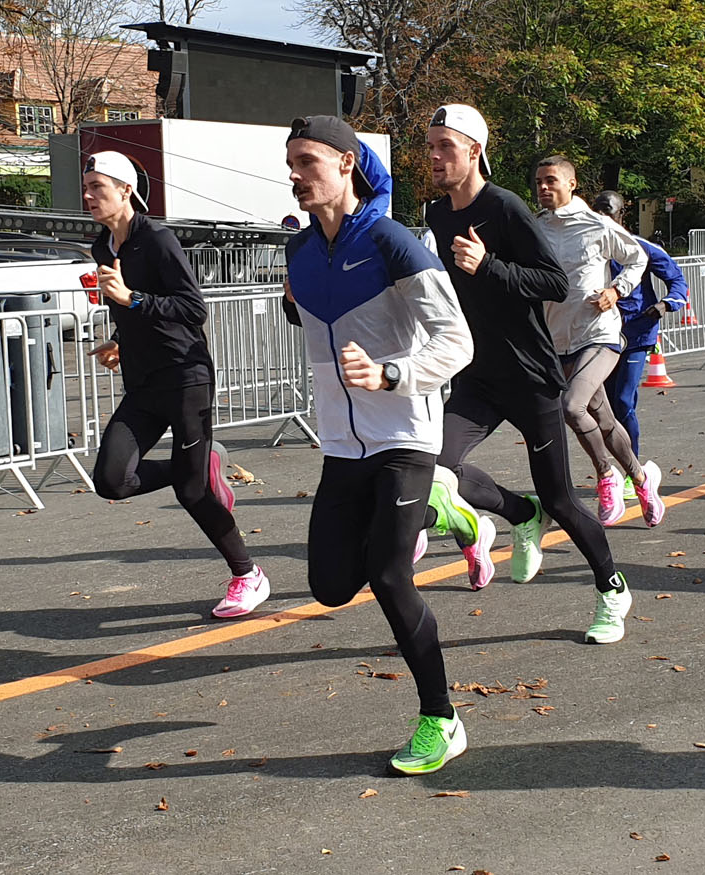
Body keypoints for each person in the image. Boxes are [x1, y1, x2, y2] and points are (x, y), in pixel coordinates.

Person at [281, 115, 475, 775]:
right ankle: (439, 508)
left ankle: (440, 719)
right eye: (291, 162)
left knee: (391, 576)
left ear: (346, 164)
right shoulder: (299, 252)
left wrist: (392, 373)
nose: (295, 173)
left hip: (405, 435)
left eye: (307, 161)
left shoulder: (392, 242)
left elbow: (457, 342)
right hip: (341, 443)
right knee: (331, 584)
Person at [419, 103, 636, 644]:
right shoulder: (437, 214)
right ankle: (518, 513)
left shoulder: (506, 207)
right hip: (477, 374)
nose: (435, 157)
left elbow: (551, 282)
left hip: (531, 377)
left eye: (445, 146)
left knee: (562, 499)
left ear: (474, 150)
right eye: (430, 147)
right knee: (432, 468)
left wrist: (488, 265)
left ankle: (611, 588)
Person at [80, 151, 268, 620]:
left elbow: (193, 309)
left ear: (125, 190)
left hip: (186, 378)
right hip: (142, 383)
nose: (87, 197)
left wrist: (133, 299)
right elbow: (133, 313)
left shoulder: (158, 240)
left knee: (192, 493)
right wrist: (119, 339)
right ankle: (204, 464)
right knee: (111, 480)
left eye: (96, 188)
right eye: (85, 188)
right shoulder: (103, 247)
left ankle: (247, 575)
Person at [531, 156, 666, 528]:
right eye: (539, 181)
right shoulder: (535, 227)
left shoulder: (596, 224)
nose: (543, 187)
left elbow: (638, 257)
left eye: (551, 180)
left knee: (572, 407)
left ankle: (607, 473)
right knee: (603, 417)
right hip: (558, 337)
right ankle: (641, 478)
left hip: (599, 332)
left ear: (572, 184)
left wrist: (615, 289)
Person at [591, 190, 689, 482]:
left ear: (621, 216)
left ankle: (634, 472)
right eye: (597, 211)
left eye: (608, 212)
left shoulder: (641, 248)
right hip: (601, 336)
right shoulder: (587, 252)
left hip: (636, 334)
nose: (602, 218)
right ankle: (613, 472)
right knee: (603, 408)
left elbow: (678, 281)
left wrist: (664, 305)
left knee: (622, 402)